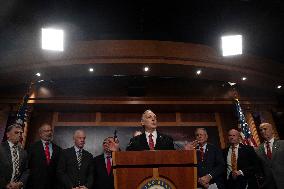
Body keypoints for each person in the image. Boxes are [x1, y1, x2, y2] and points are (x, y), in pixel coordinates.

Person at [27, 123, 62, 189]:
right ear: (40, 134)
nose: (49, 133)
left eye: (50, 131)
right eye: (46, 131)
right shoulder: (32, 147)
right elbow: (27, 167)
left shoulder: (58, 149)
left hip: (52, 185)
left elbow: (59, 169)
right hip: (34, 185)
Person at [0, 124, 29, 189]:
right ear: (8, 135)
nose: (19, 135)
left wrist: (20, 183)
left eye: (21, 133)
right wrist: (5, 185)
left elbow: (26, 170)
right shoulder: (1, 148)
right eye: (16, 132)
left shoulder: (24, 152)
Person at [256, 122, 284, 189]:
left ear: (272, 130)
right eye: (261, 130)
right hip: (269, 185)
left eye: (265, 129)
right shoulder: (258, 149)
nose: (263, 131)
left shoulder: (282, 144)